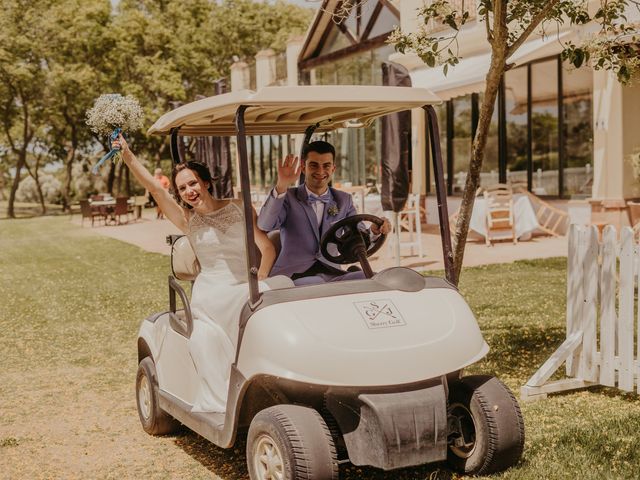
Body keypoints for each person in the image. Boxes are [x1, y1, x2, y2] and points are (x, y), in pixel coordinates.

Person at [113, 134, 276, 413]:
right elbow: (155, 190)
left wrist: (261, 275)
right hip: (212, 293)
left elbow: (267, 247)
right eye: (182, 188)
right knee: (228, 323)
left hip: (245, 283)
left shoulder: (239, 206)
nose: (189, 191)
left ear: (206, 182)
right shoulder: (188, 220)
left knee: (273, 307)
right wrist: (127, 154)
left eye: (193, 183)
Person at [258, 140, 391, 286]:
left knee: (377, 279)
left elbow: (357, 236)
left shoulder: (343, 200)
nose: (320, 172)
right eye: (314, 165)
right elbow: (265, 225)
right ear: (303, 167)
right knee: (315, 283)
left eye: (326, 166)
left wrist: (373, 231)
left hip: (331, 273)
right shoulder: (288, 197)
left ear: (333, 168)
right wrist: (281, 185)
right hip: (293, 275)